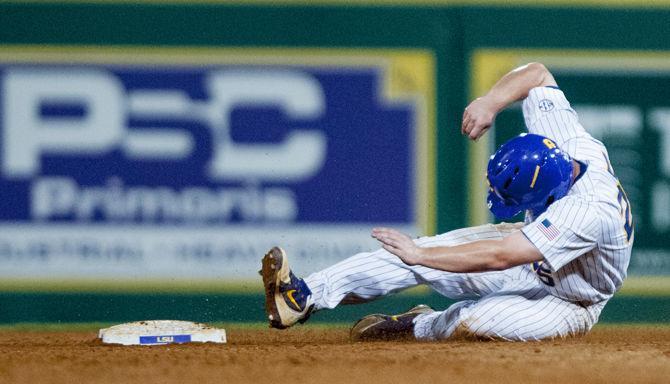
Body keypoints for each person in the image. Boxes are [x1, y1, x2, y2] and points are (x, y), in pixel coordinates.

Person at [260, 62, 634, 341]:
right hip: (531, 252)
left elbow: (499, 256)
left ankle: (417, 325)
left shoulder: (586, 211)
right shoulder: (567, 146)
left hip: (570, 302)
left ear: (548, 195)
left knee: (473, 323)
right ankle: (300, 295)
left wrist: (421, 256)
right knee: (411, 254)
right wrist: (491, 101)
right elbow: (536, 74)